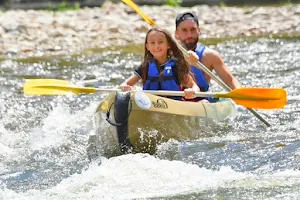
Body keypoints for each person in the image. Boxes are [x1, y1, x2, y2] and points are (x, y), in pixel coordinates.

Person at [120, 27, 202, 101]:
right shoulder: (145, 66)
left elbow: (195, 87)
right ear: (147, 46)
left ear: (168, 45)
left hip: (173, 105)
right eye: (152, 43)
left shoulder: (176, 66)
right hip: (149, 104)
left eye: (160, 42)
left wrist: (192, 91)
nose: (157, 46)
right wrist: (125, 87)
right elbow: (124, 84)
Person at [175, 11, 240, 93]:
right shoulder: (167, 55)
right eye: (184, 30)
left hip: (203, 101)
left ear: (199, 30)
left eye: (193, 30)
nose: (189, 35)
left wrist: (242, 96)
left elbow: (230, 81)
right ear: (176, 33)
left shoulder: (210, 56)